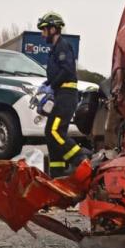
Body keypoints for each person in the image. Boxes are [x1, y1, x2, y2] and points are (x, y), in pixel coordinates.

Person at [37, 11, 90, 177]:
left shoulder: (62, 46)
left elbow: (67, 70)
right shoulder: (54, 49)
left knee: (55, 132)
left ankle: (81, 159)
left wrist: (52, 85)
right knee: (49, 133)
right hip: (61, 93)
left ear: (53, 29)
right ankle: (57, 172)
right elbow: (58, 72)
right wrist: (47, 84)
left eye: (44, 29)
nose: (42, 33)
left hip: (66, 95)